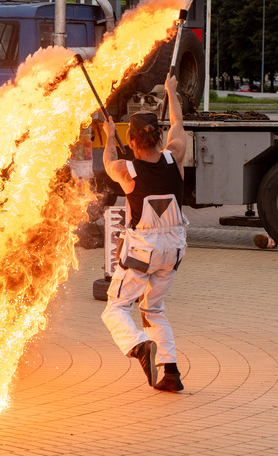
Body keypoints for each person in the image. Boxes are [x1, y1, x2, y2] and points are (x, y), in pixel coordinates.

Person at [100, 73, 188, 393]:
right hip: (174, 248)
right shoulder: (175, 155)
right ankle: (171, 373)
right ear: (159, 138)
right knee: (153, 309)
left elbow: (109, 161)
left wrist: (110, 136)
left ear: (133, 140)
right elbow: (179, 124)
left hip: (143, 250)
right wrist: (171, 92)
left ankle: (139, 346)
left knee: (116, 308)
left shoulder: (127, 170)